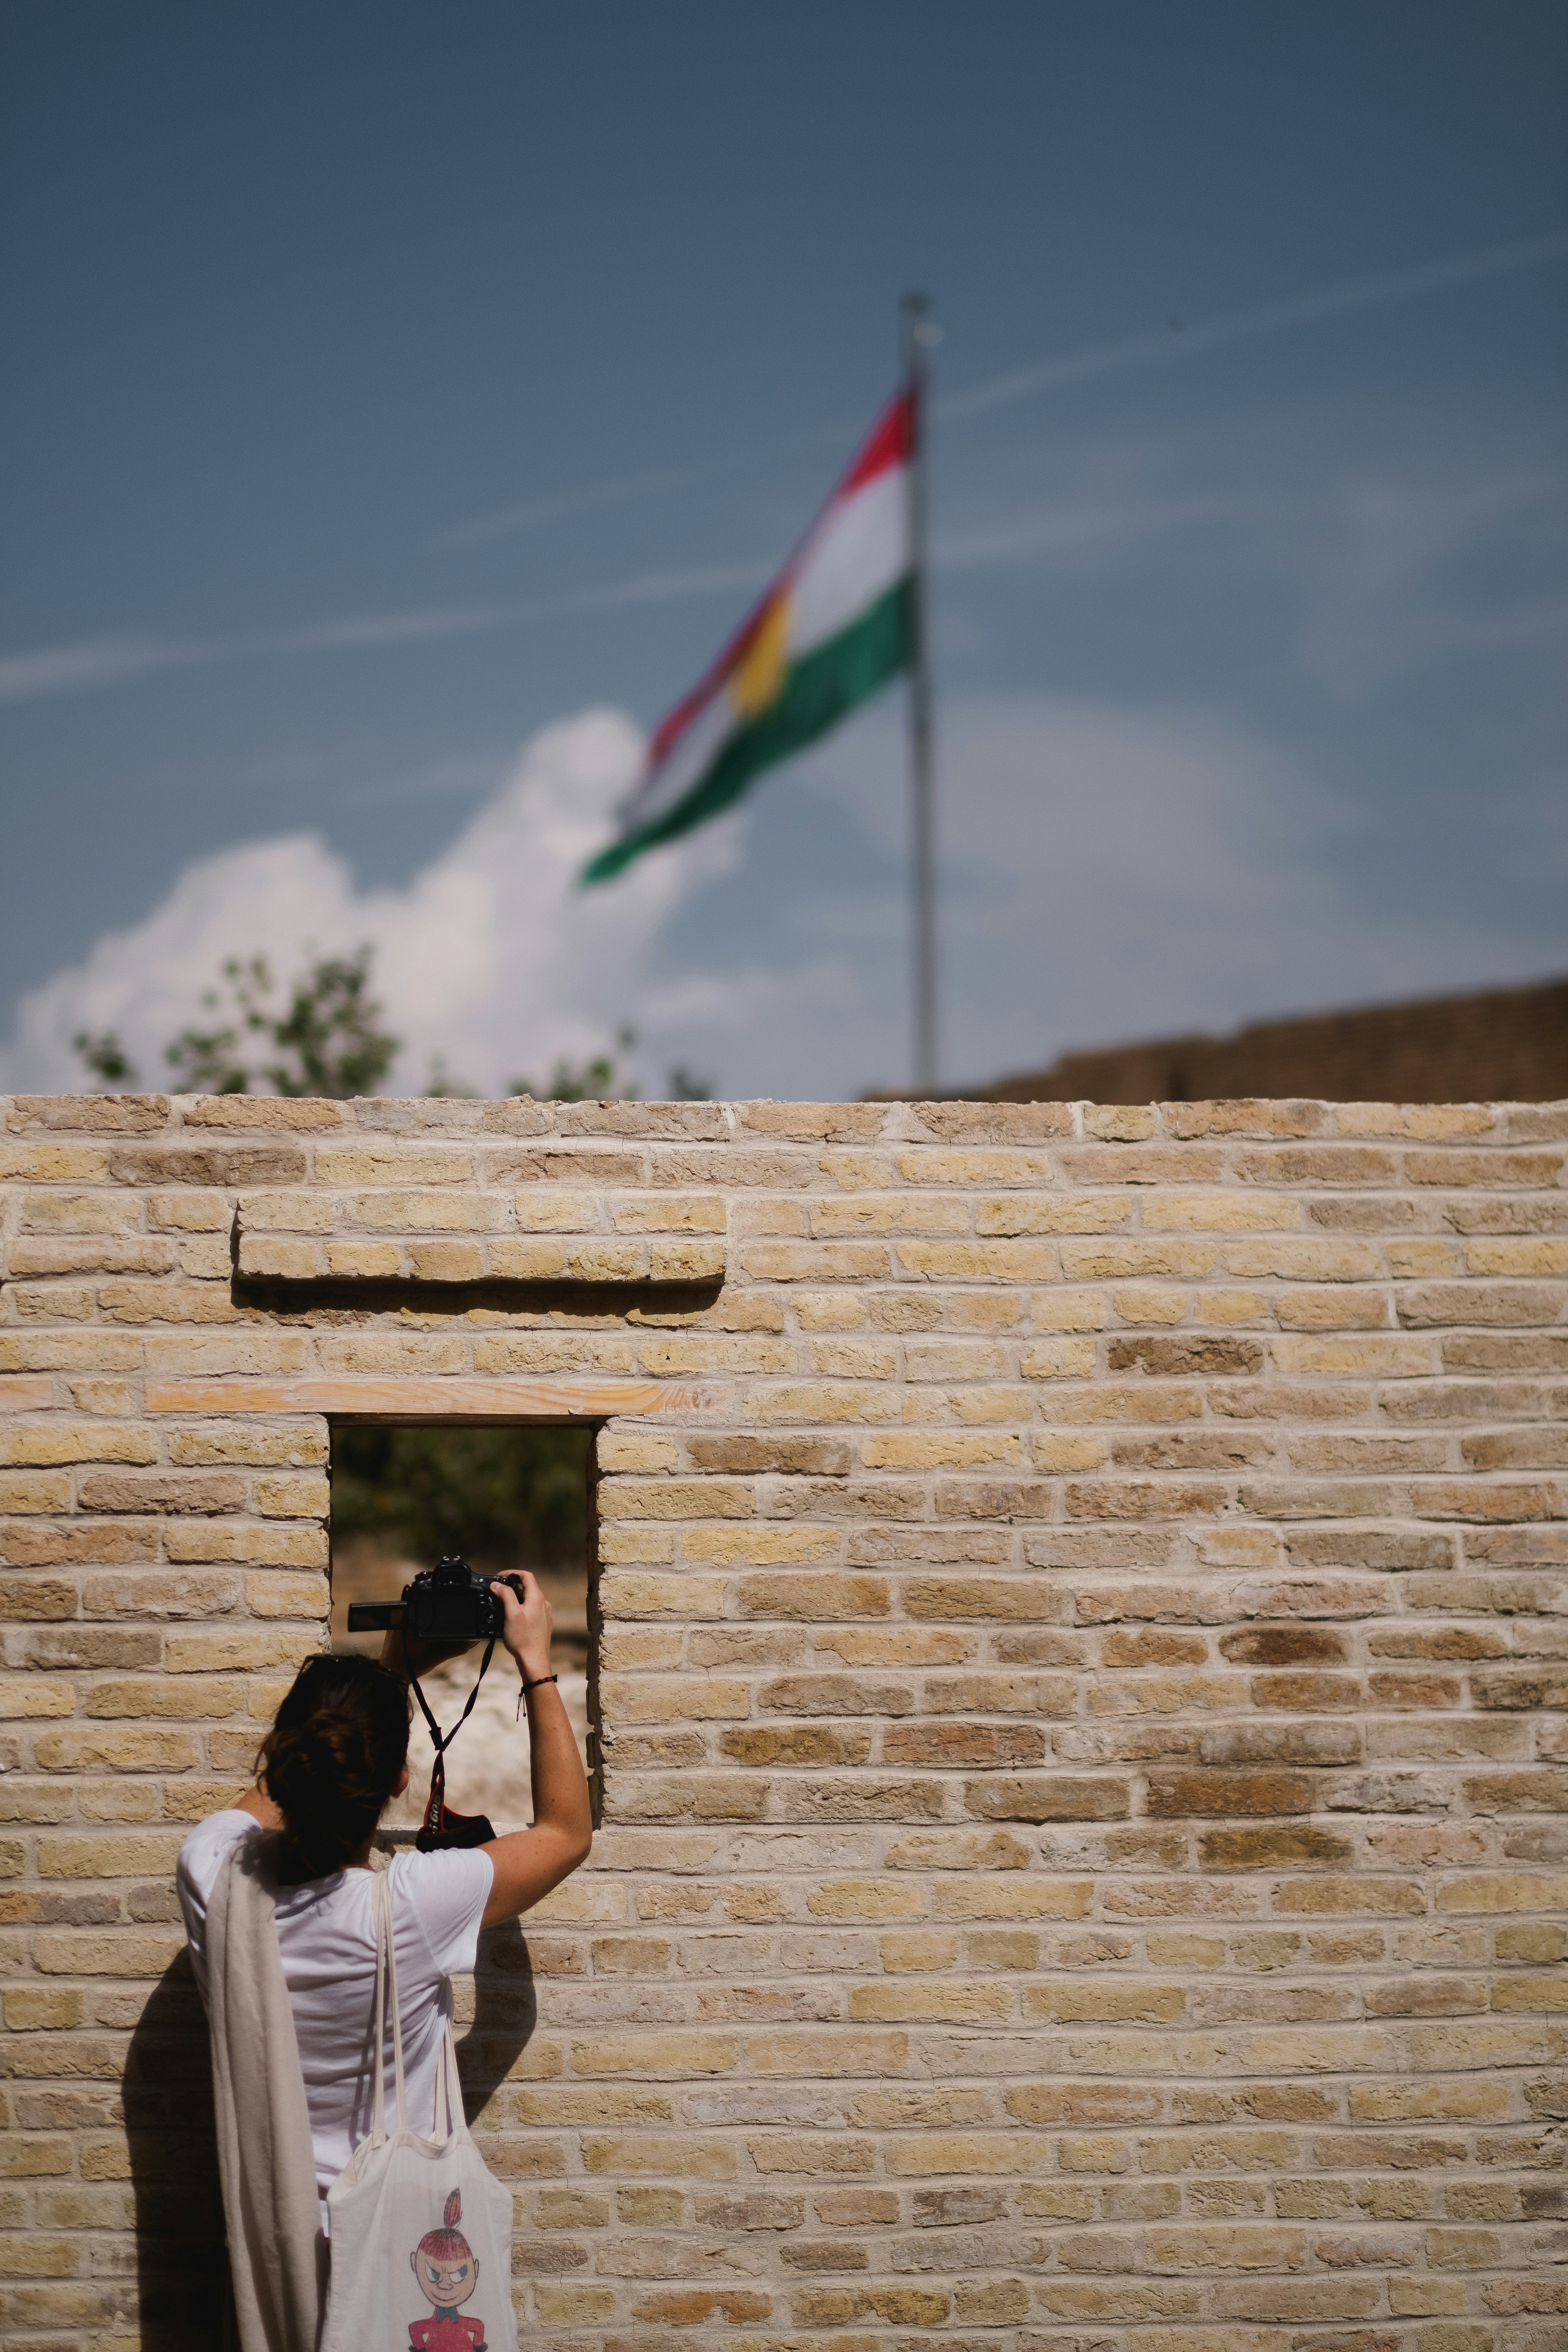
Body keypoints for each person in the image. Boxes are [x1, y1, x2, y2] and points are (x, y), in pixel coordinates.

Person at [178, 1573, 591, 2231]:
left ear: (286, 1754)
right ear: (402, 1778)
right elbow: (565, 1834)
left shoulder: (214, 1874)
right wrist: (536, 1662)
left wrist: (387, 1675)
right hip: (386, 2237)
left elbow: (285, 1778)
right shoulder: (409, 1907)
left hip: (271, 2237)